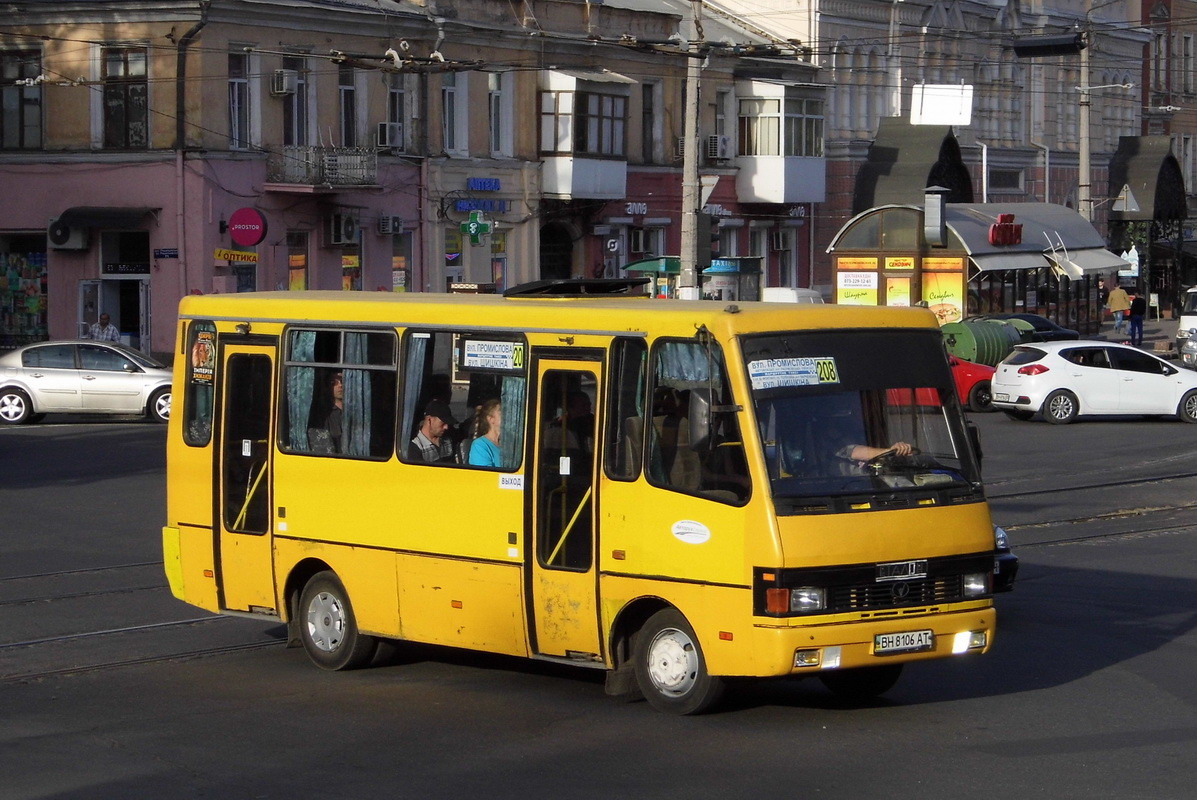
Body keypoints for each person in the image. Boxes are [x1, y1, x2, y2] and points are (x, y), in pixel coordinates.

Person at [467, 399, 502, 467]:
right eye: (501, 413)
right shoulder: (479, 446)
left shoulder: (509, 444)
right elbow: (486, 475)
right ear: (491, 419)